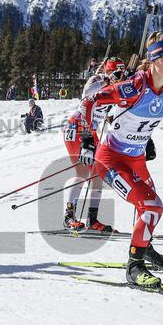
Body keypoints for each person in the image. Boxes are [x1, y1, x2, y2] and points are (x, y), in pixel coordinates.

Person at [87, 33, 163, 287]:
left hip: (136, 158)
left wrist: (146, 141)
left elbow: (142, 120)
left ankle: (145, 249)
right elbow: (94, 99)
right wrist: (88, 137)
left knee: (148, 208)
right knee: (152, 206)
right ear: (155, 60)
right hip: (110, 160)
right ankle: (134, 267)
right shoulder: (136, 86)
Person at [61, 61, 123, 232]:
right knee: (82, 173)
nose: (119, 76)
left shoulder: (115, 89)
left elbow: (107, 112)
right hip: (78, 127)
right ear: (108, 70)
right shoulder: (97, 79)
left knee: (97, 175)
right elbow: (87, 93)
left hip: (92, 130)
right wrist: (107, 80)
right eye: (116, 71)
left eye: (121, 72)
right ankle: (69, 216)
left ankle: (92, 219)